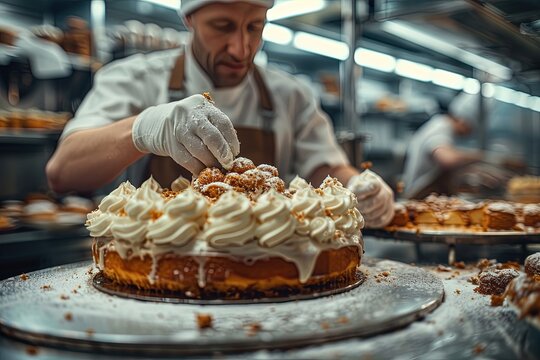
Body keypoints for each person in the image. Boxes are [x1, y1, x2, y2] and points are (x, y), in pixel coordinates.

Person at [46, 0, 394, 228]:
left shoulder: (290, 95)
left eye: (254, 27)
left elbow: (325, 167)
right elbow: (63, 173)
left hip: (266, 272)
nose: (241, 48)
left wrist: (357, 186)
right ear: (189, 18)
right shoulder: (134, 78)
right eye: (223, 26)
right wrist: (143, 128)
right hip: (161, 268)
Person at [401, 92, 510, 199]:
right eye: (471, 127)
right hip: (419, 200)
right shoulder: (442, 127)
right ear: (464, 120)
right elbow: (448, 159)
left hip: (428, 199)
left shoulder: (441, 126)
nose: (470, 133)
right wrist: (481, 156)